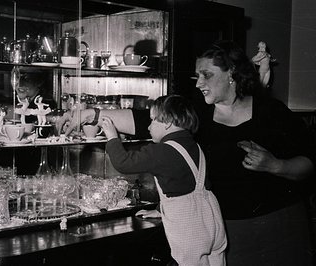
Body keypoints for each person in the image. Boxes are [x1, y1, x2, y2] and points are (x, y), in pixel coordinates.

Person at [57, 40, 316, 266]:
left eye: (207, 75)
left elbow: (310, 164)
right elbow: (142, 119)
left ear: (232, 74)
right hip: (224, 231)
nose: (199, 83)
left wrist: (275, 165)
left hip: (278, 228)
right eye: (197, 76)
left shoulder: (271, 112)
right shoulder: (198, 113)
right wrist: (93, 114)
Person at [101, 95, 227, 265]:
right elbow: (184, 185)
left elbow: (124, 163)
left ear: (167, 122)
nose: (148, 126)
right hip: (213, 221)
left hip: (190, 229)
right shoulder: (194, 146)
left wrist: (112, 138)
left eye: (153, 120)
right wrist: (161, 210)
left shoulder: (162, 150)